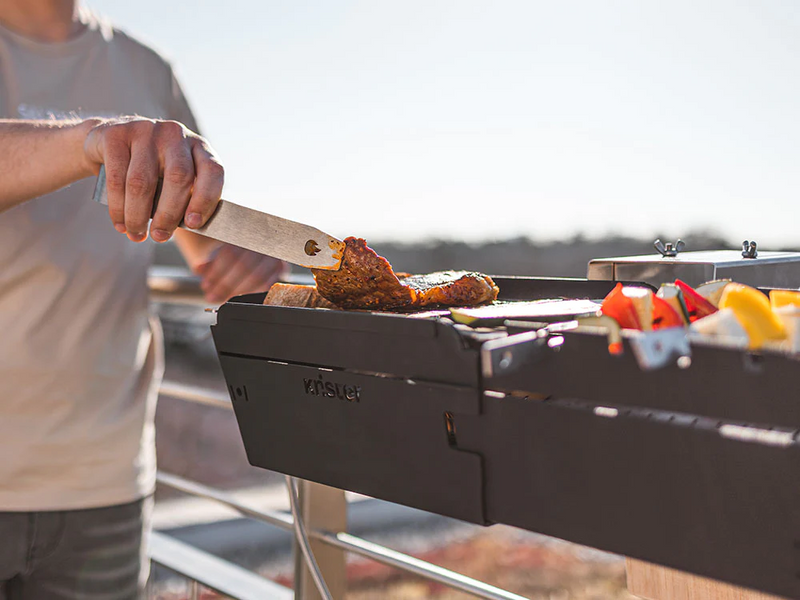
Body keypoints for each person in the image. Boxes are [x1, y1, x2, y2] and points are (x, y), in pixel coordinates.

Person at [0, 3, 286, 598]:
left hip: (105, 481)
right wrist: (90, 141)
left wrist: (245, 261)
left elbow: (202, 238)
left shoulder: (147, 67)